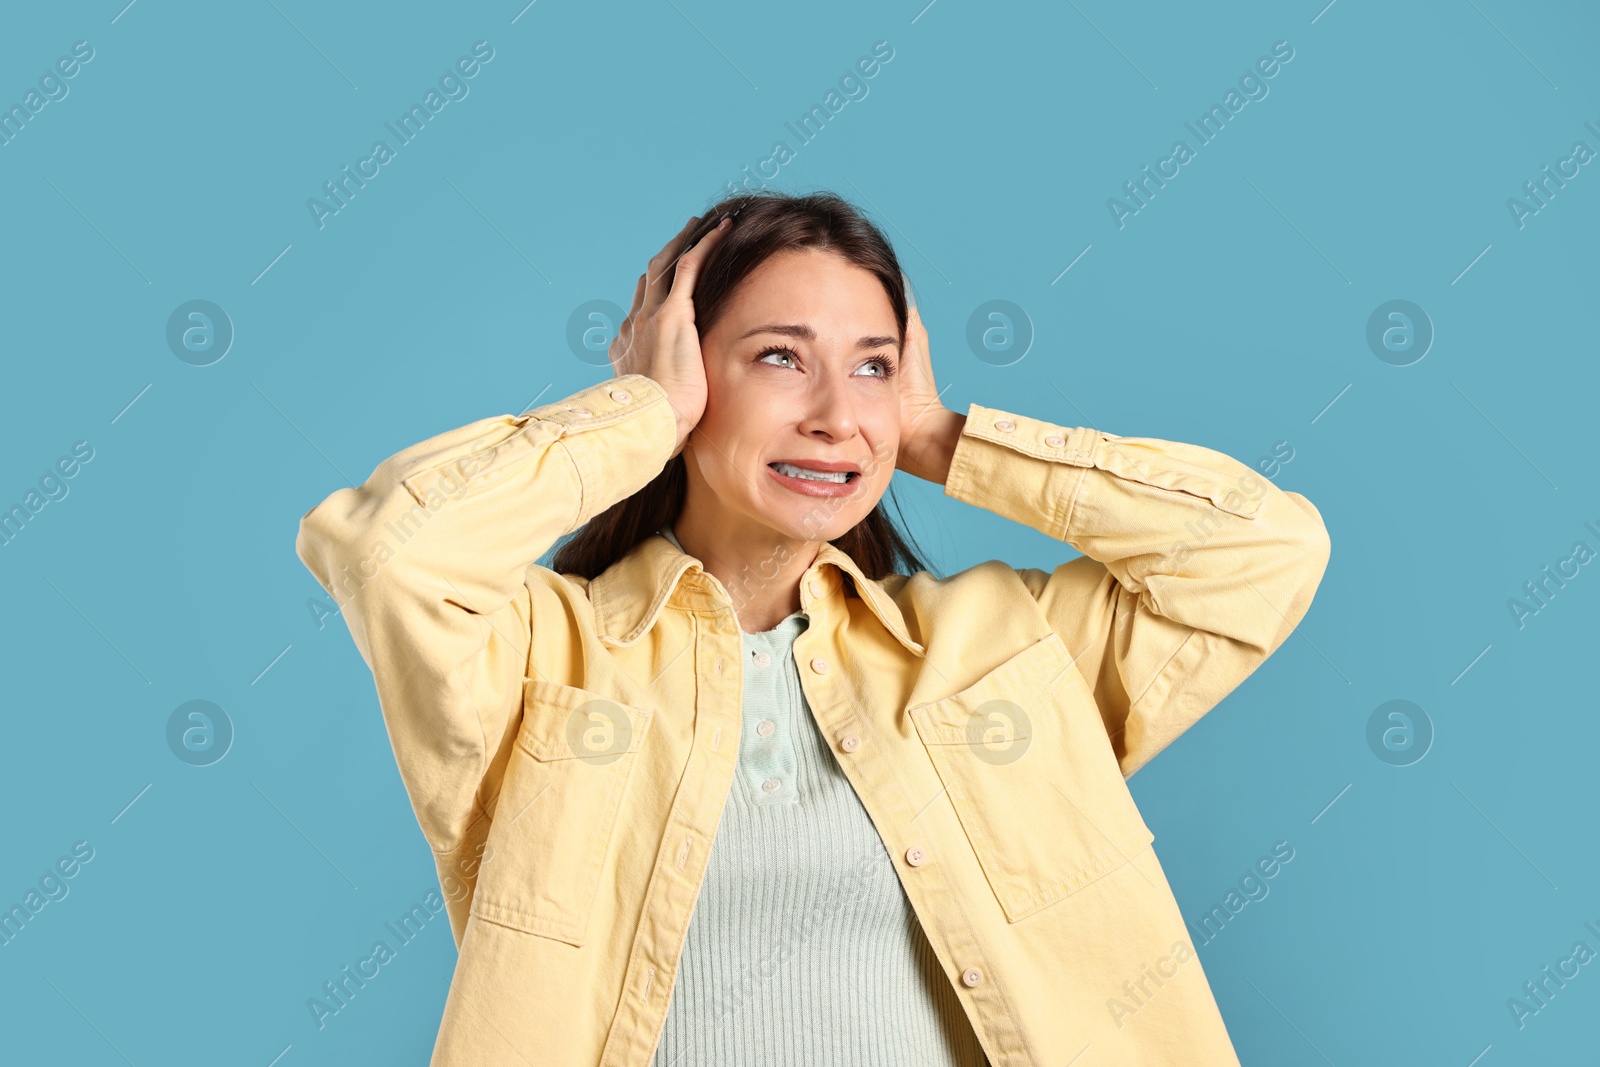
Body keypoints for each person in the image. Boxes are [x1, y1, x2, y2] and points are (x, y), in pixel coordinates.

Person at [295, 190, 1331, 1067]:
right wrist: (637, 412)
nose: (837, 414)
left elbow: (1261, 554)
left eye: (873, 365)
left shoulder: (1001, 645)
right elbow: (391, 554)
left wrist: (937, 434)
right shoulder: (535, 656)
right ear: (690, 369)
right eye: (781, 357)